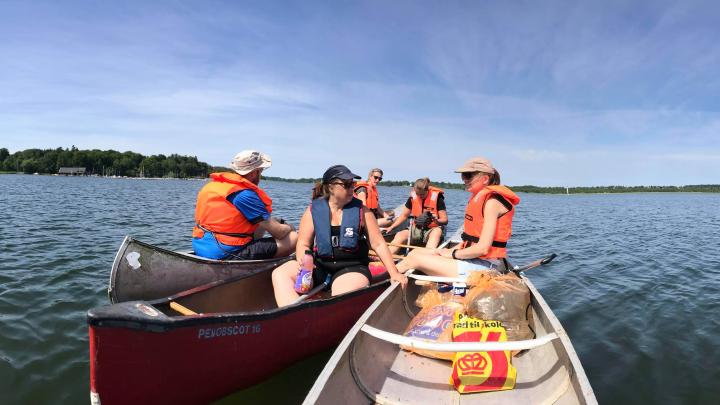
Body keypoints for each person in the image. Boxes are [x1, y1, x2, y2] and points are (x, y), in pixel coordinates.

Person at [272, 165, 407, 307]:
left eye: (353, 184)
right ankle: (293, 315)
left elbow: (378, 244)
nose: (352, 189)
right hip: (320, 266)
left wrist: (394, 273)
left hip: (352, 267)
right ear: (330, 187)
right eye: (347, 184)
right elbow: (303, 244)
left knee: (340, 297)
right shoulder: (313, 210)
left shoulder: (363, 211)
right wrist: (304, 265)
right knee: (280, 274)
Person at [396, 157, 520, 277]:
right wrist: (444, 252)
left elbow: (482, 249)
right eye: (463, 176)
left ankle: (386, 278)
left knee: (415, 259)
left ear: (485, 178)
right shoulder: (482, 199)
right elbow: (470, 243)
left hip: (486, 266)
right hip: (474, 259)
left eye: (468, 175)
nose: (464, 180)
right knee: (416, 252)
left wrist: (452, 253)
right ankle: (390, 274)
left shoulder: (492, 202)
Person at [192, 150, 297, 260]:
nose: (260, 175)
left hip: (201, 246)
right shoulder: (245, 195)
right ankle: (263, 269)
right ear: (253, 173)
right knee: (293, 237)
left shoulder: (214, 186)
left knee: (262, 223)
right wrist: (290, 227)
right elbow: (279, 233)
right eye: (260, 171)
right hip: (224, 252)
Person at [384, 178, 448, 255]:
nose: (420, 196)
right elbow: (404, 215)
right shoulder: (413, 197)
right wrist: (391, 227)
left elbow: (445, 220)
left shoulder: (438, 198)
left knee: (437, 232)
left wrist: (435, 220)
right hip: (417, 228)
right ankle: (386, 258)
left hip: (433, 228)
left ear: (427, 190)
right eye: (418, 194)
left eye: (422, 194)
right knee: (400, 235)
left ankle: (426, 258)